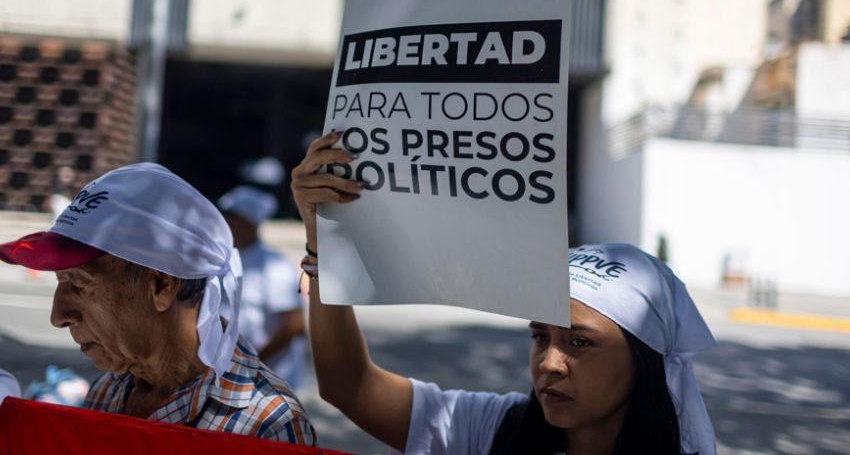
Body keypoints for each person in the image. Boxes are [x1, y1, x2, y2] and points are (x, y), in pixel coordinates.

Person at [291, 131, 716, 455]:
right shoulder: (497, 429)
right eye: (541, 336)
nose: (549, 362)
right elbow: (350, 385)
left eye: (579, 343)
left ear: (645, 358)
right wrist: (326, 239)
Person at [0, 163, 316, 445]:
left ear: (162, 286)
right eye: (61, 281)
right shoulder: (109, 391)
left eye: (80, 284)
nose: (59, 316)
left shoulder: (265, 426)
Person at [218, 186, 307, 390]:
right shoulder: (221, 259)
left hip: (267, 382)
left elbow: (294, 324)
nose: (225, 221)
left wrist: (253, 363)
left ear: (249, 222)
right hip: (229, 374)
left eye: (231, 217)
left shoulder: (275, 266)